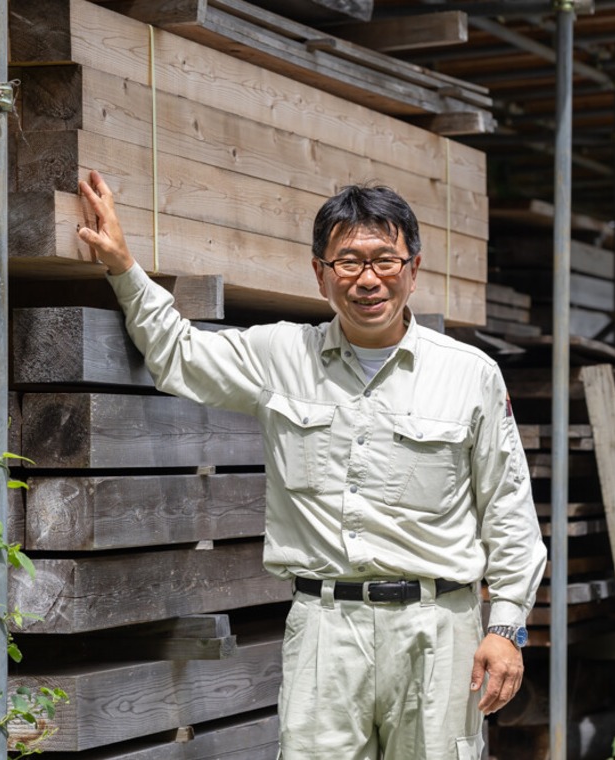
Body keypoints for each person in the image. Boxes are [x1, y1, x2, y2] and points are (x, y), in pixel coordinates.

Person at [77, 170, 548, 760]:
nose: (368, 279)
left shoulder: (469, 374)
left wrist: (505, 627)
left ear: (414, 268)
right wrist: (123, 266)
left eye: (385, 260)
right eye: (348, 262)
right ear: (320, 273)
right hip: (326, 629)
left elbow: (508, 510)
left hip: (438, 629)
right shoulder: (281, 355)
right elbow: (179, 355)